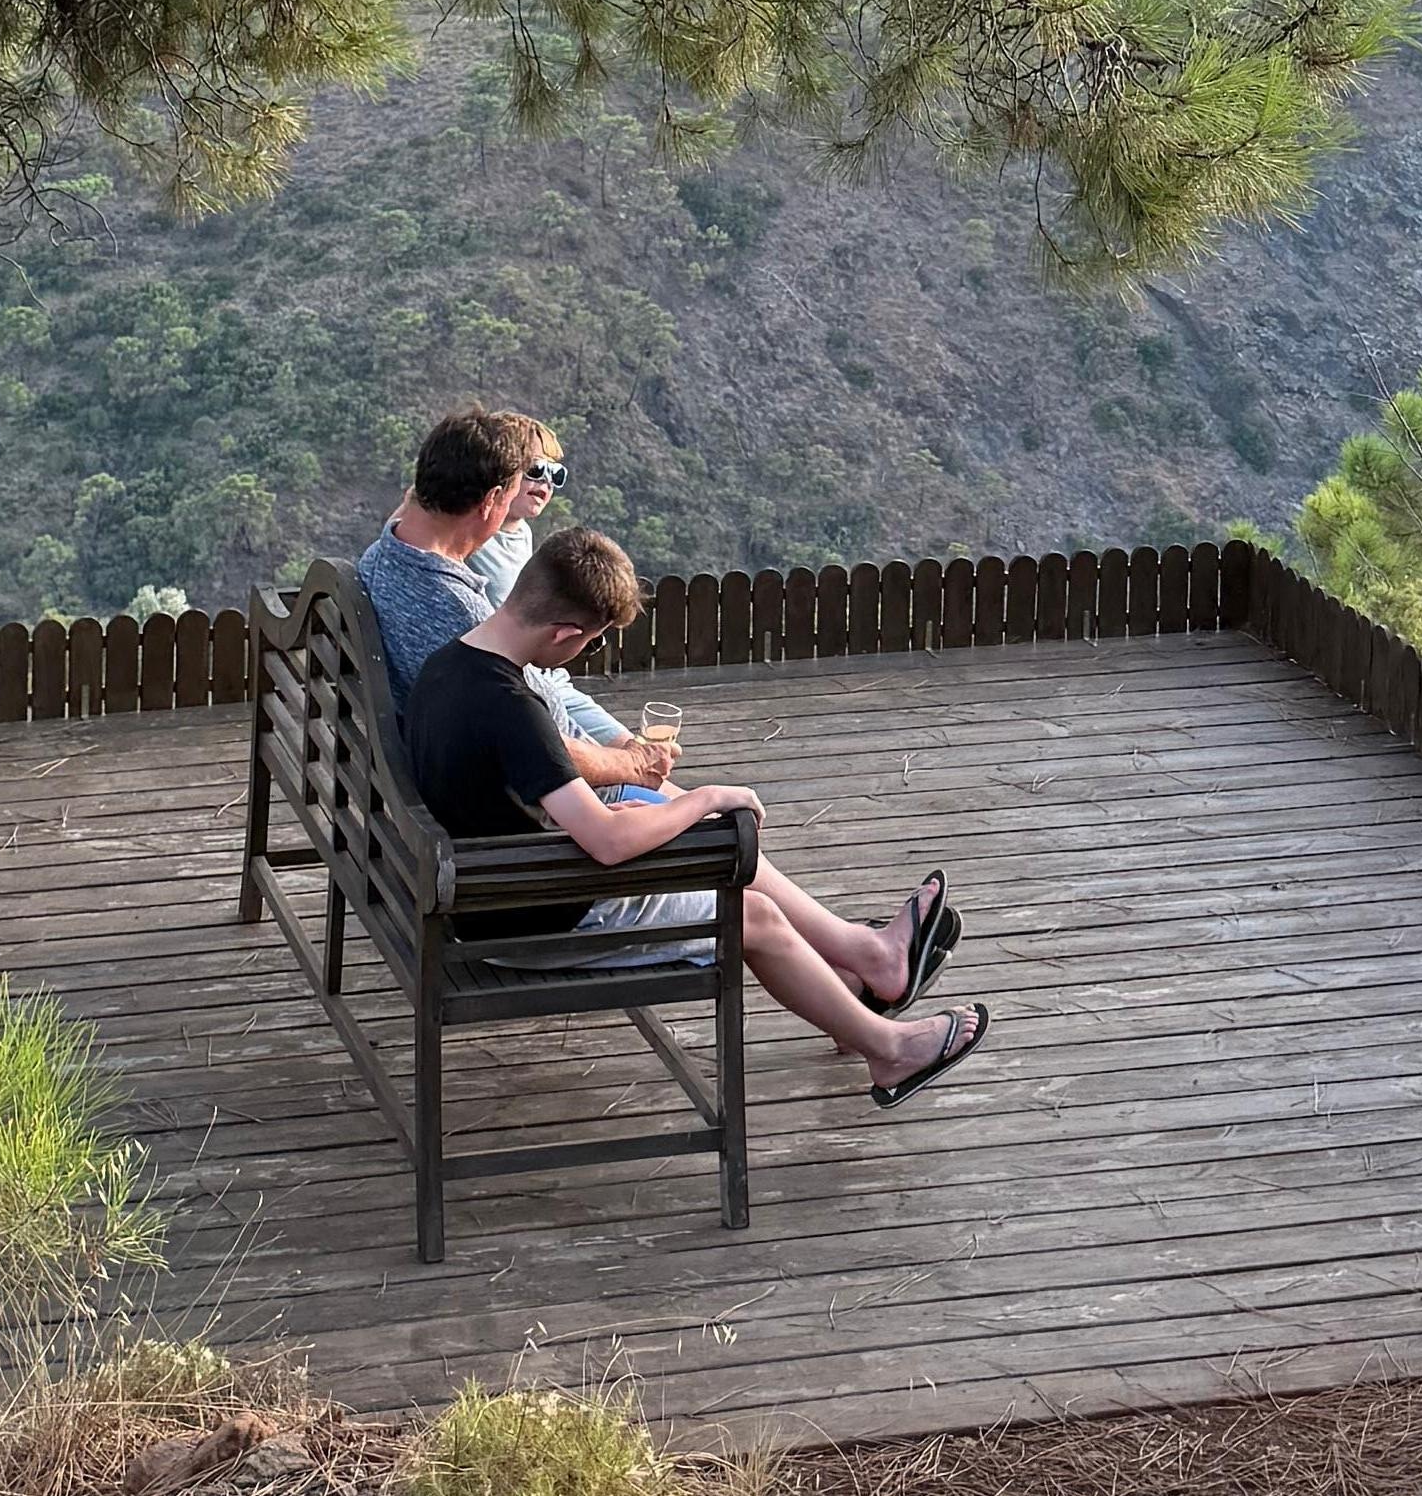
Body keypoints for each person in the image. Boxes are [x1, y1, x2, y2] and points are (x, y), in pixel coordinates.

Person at [402, 527, 986, 1105]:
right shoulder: (514, 710)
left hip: (494, 885)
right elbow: (605, 842)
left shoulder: (445, 667)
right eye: (594, 642)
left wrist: (659, 815)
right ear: (565, 633)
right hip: (530, 922)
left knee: (704, 842)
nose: (587, 652)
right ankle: (889, 1050)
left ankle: (859, 982)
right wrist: (702, 797)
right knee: (754, 918)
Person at [356, 409, 662, 780]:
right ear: (491, 502)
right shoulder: (463, 618)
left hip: (430, 764)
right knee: (718, 816)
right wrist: (628, 764)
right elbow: (541, 744)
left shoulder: (382, 554)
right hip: (511, 794)